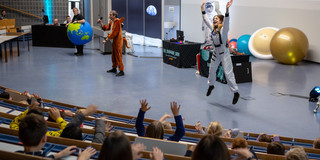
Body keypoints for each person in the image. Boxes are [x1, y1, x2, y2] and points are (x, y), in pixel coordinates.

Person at [201, 0, 240, 104]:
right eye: (214, 19)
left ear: (221, 22)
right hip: (215, 52)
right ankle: (211, 85)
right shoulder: (213, 29)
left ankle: (236, 92)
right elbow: (205, 20)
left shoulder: (224, 29)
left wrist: (227, 9)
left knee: (228, 74)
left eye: (216, 19)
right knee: (211, 70)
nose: (214, 20)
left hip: (224, 53)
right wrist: (202, 8)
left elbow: (227, 20)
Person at [98, 10, 129, 77]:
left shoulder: (117, 22)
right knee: (114, 56)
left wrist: (106, 39)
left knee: (118, 56)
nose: (109, 16)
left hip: (118, 42)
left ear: (114, 16)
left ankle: (121, 70)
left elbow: (114, 33)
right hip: (114, 42)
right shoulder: (112, 22)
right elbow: (106, 28)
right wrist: (101, 23)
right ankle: (114, 68)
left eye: (110, 15)